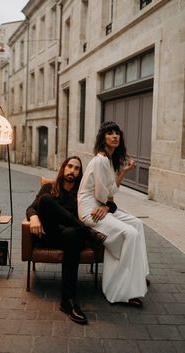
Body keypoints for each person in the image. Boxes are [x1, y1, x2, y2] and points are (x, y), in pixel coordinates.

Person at [78, 121, 149, 307]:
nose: (115, 136)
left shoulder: (108, 161)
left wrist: (123, 172)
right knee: (129, 234)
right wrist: (107, 205)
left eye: (117, 133)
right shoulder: (100, 160)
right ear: (103, 139)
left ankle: (138, 275)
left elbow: (112, 191)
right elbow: (103, 195)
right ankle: (120, 292)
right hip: (91, 210)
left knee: (137, 224)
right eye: (110, 133)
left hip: (101, 207)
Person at [26, 156, 104, 324]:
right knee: (46, 200)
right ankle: (88, 233)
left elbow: (110, 205)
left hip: (72, 238)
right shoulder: (49, 187)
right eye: (70, 166)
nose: (72, 171)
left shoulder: (83, 194)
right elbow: (31, 207)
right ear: (63, 168)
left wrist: (105, 206)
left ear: (80, 174)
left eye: (77, 168)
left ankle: (68, 301)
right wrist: (33, 218)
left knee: (72, 233)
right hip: (51, 235)